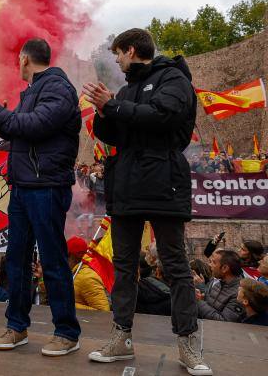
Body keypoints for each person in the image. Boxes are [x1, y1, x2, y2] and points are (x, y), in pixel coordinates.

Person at [82, 29, 211, 375]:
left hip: (163, 181)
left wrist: (114, 105)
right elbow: (112, 134)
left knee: (175, 265)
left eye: (118, 54)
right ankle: (120, 337)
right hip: (125, 183)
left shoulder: (173, 77)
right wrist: (103, 110)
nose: (117, 61)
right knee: (124, 266)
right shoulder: (125, 90)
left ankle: (188, 343)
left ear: (132, 50)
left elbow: (162, 116)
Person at [0, 38, 82, 356]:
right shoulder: (32, 92)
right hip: (22, 187)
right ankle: (17, 326)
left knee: (52, 260)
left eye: (16, 60)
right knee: (16, 261)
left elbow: (35, 125)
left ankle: (66, 331)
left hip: (46, 186)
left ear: (23, 59)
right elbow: (16, 130)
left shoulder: (58, 87)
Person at [197, 249, 246, 322]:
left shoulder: (239, 293)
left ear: (225, 268)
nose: (210, 265)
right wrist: (201, 297)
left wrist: (199, 302)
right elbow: (209, 305)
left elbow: (224, 321)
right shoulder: (218, 284)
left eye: (214, 262)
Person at [65, 236, 110, 311]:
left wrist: (69, 305)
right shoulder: (74, 272)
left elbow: (103, 311)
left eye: (66, 256)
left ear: (73, 257)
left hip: (87, 322)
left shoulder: (86, 277)